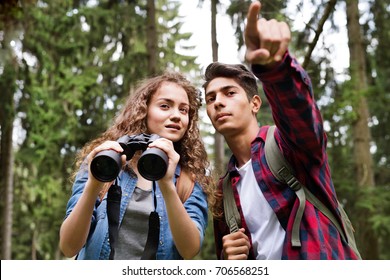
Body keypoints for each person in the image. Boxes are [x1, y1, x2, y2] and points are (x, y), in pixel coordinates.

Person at [203, 1, 360, 260]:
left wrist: (275, 68)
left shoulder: (287, 146)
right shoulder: (224, 192)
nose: (218, 101)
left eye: (230, 93)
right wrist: (228, 260)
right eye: (211, 99)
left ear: (255, 103)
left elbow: (299, 115)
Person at [59, 71, 212, 260]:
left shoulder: (190, 179)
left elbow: (190, 250)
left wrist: (166, 184)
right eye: (165, 106)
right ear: (144, 110)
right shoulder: (105, 162)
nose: (176, 116)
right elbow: (68, 246)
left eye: (184, 110)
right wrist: (93, 184)